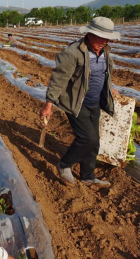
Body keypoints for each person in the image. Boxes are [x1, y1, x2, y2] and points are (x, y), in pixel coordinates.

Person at [40, 17, 120, 187]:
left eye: (107, 38)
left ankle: (87, 176)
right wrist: (49, 104)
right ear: (89, 34)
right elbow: (59, 79)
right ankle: (64, 164)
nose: (104, 41)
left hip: (95, 102)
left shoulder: (104, 50)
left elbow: (104, 73)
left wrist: (109, 88)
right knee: (87, 139)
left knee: (94, 141)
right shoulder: (73, 52)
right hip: (77, 103)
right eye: (100, 37)